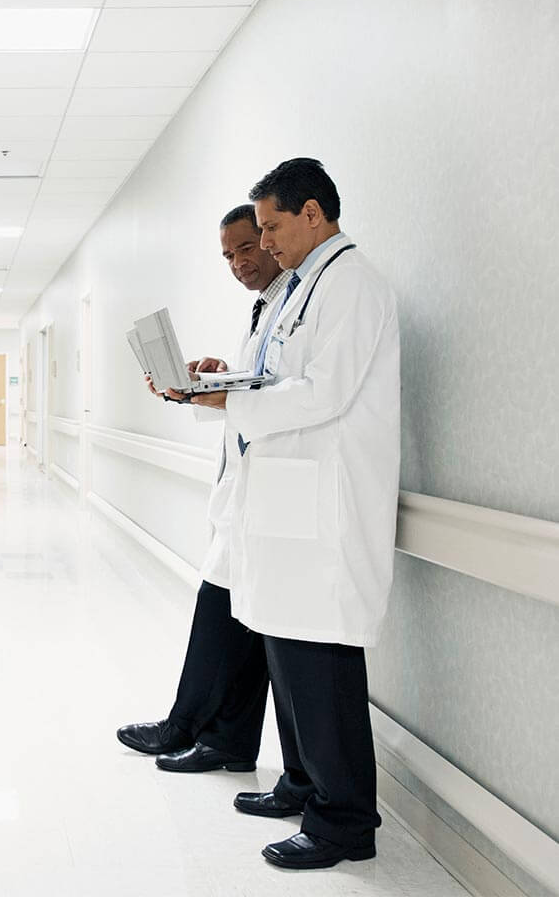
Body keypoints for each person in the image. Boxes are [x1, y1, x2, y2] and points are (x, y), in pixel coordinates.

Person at [190, 159, 400, 869]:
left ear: (314, 213)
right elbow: (279, 377)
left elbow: (326, 391)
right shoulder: (305, 287)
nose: (266, 242)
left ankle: (343, 824)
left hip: (326, 512)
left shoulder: (354, 285)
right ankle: (303, 785)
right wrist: (229, 384)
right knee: (288, 655)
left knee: (321, 665)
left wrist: (233, 402)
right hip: (286, 506)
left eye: (273, 227)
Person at [117, 204, 290, 773]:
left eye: (247, 247)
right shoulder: (266, 310)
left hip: (279, 497)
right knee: (235, 623)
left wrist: (229, 392)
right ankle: (228, 743)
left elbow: (284, 400)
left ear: (270, 237)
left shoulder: (300, 301)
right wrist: (215, 378)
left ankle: (185, 727)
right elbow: (260, 393)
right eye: (229, 256)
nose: (239, 263)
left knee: (223, 616)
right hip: (251, 491)